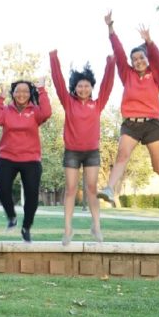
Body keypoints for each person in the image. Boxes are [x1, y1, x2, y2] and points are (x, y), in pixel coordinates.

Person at [98, 11, 159, 205]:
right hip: (131, 124)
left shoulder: (156, 74)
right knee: (122, 155)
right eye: (134, 59)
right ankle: (109, 189)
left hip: (152, 124)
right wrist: (110, 28)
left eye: (141, 58)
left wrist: (149, 42)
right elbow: (118, 53)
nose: (138, 61)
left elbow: (158, 60)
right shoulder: (127, 74)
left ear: (147, 58)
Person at [50, 50, 114, 245]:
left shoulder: (98, 103)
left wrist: (110, 64)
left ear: (91, 88)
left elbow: (107, 86)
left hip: (92, 153)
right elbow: (59, 82)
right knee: (70, 189)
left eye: (87, 86)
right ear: (75, 87)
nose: (83, 89)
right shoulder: (68, 102)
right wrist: (54, 59)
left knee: (92, 189)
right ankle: (68, 229)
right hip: (72, 153)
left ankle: (96, 226)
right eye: (80, 86)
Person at [0, 79, 52, 243]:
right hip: (7, 157)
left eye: (25, 91)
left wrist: (42, 90)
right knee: (3, 190)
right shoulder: (6, 110)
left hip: (31, 159)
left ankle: (26, 227)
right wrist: (0, 99)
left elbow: (47, 113)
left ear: (30, 93)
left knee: (32, 196)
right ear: (13, 93)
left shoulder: (35, 111)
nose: (21, 94)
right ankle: (11, 217)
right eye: (18, 91)